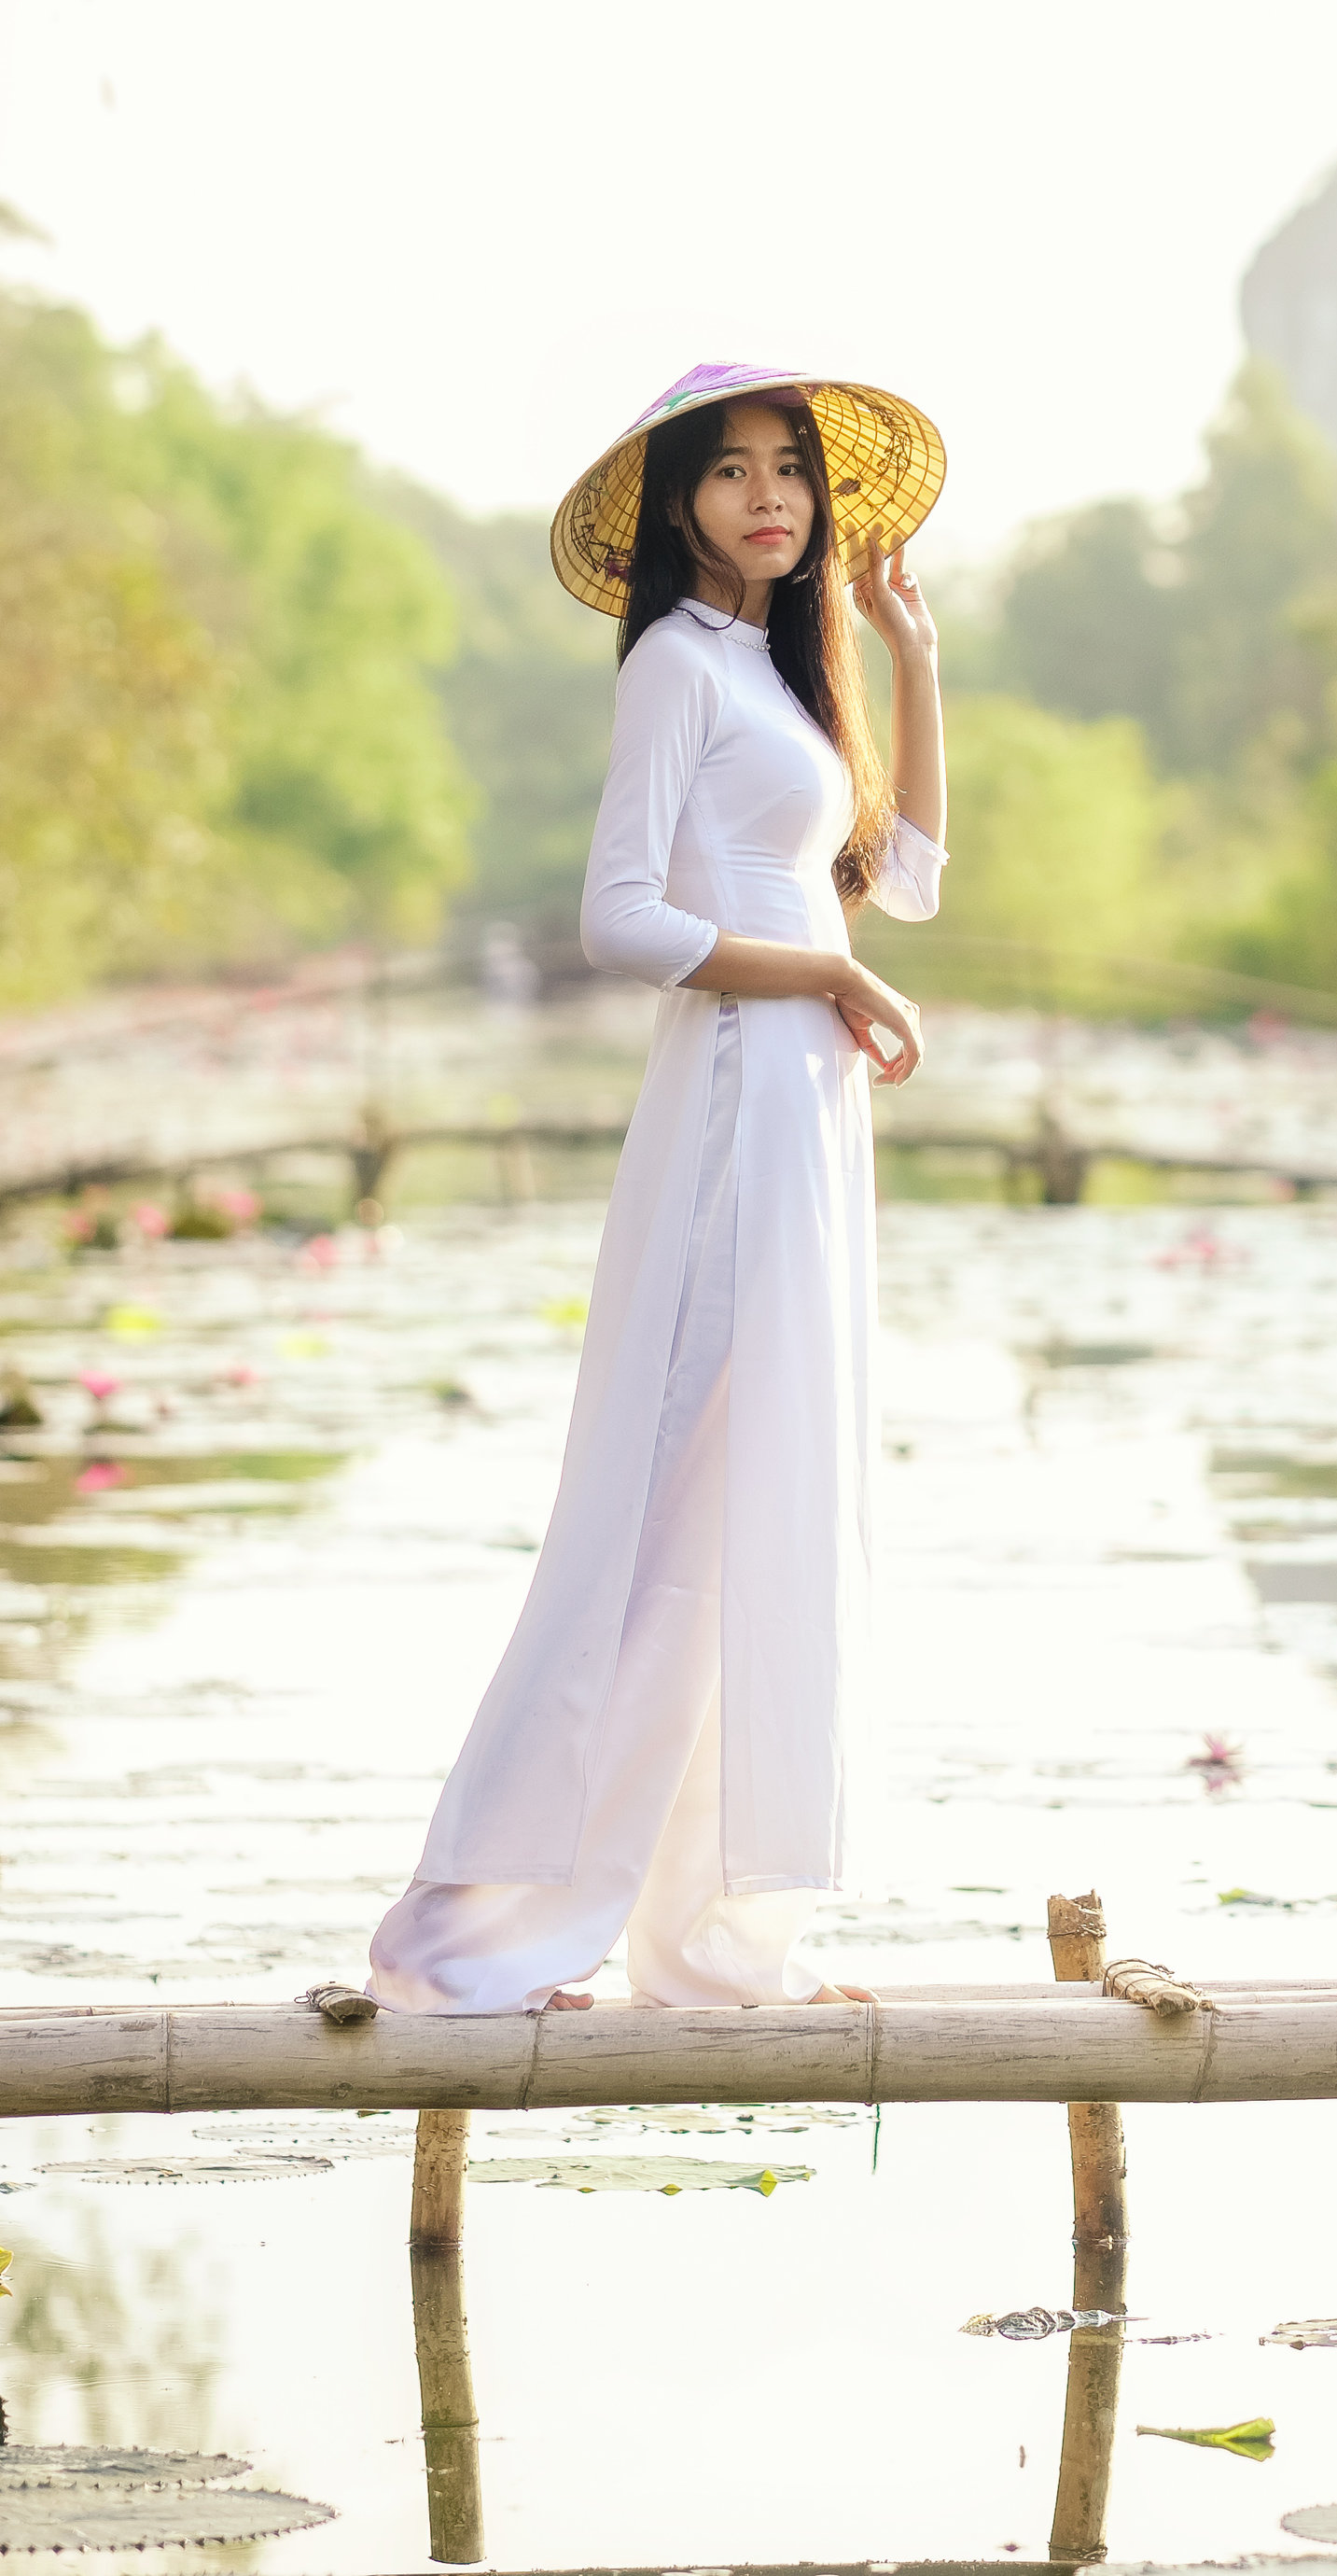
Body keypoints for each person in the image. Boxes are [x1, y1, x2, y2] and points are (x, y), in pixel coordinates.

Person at [369, 360, 947, 2014]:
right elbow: (620, 923)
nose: (769, 497)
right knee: (663, 1508)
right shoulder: (673, 673)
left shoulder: (780, 679)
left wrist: (911, 660)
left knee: (764, 1498)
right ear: (678, 507)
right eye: (733, 473)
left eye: (791, 472)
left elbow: (896, 885)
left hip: (807, 1111)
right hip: (735, 1098)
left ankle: (703, 1938)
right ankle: (488, 1923)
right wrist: (826, 985)